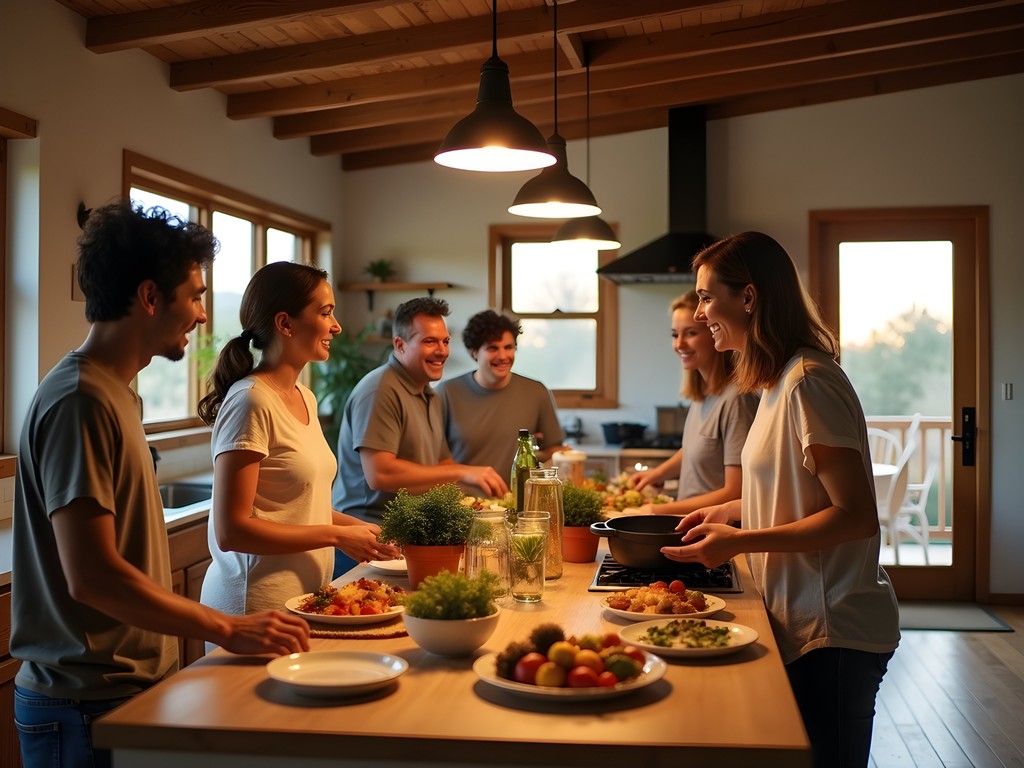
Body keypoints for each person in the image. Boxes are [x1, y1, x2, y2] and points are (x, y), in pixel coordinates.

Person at [11, 202, 309, 768]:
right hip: (83, 701)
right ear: (150, 297)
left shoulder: (115, 392)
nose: (201, 315)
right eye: (195, 296)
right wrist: (229, 627)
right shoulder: (82, 400)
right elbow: (92, 575)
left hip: (118, 690)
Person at [661, 231, 899, 768]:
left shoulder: (809, 382)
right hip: (799, 622)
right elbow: (791, 489)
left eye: (705, 296)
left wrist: (740, 540)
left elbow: (855, 516)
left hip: (832, 631)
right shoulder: (775, 382)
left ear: (748, 298)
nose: (700, 315)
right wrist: (728, 510)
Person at [196, 262, 399, 618]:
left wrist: (362, 530)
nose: (336, 326)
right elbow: (231, 530)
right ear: (285, 323)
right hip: (255, 604)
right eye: (325, 312)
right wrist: (337, 537)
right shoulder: (251, 400)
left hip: (304, 600)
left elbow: (298, 507)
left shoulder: (305, 397)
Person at [331, 297, 509, 549]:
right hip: (367, 539)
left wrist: (478, 487)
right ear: (400, 345)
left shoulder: (429, 394)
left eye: (445, 341)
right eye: (429, 341)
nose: (442, 351)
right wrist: (462, 472)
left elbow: (441, 463)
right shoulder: (380, 389)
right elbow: (379, 473)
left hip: (405, 535)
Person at [629, 291, 758, 515]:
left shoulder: (737, 399)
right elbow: (694, 450)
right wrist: (658, 473)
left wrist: (656, 510)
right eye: (674, 334)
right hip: (690, 528)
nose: (679, 344)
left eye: (690, 333)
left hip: (714, 533)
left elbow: (736, 492)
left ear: (714, 333)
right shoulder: (703, 395)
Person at [437, 309, 565, 494]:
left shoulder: (536, 392)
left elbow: (554, 450)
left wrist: (533, 456)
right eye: (492, 348)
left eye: (508, 347)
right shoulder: (447, 392)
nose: (503, 356)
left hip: (520, 504)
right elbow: (433, 460)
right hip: (463, 505)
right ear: (474, 352)